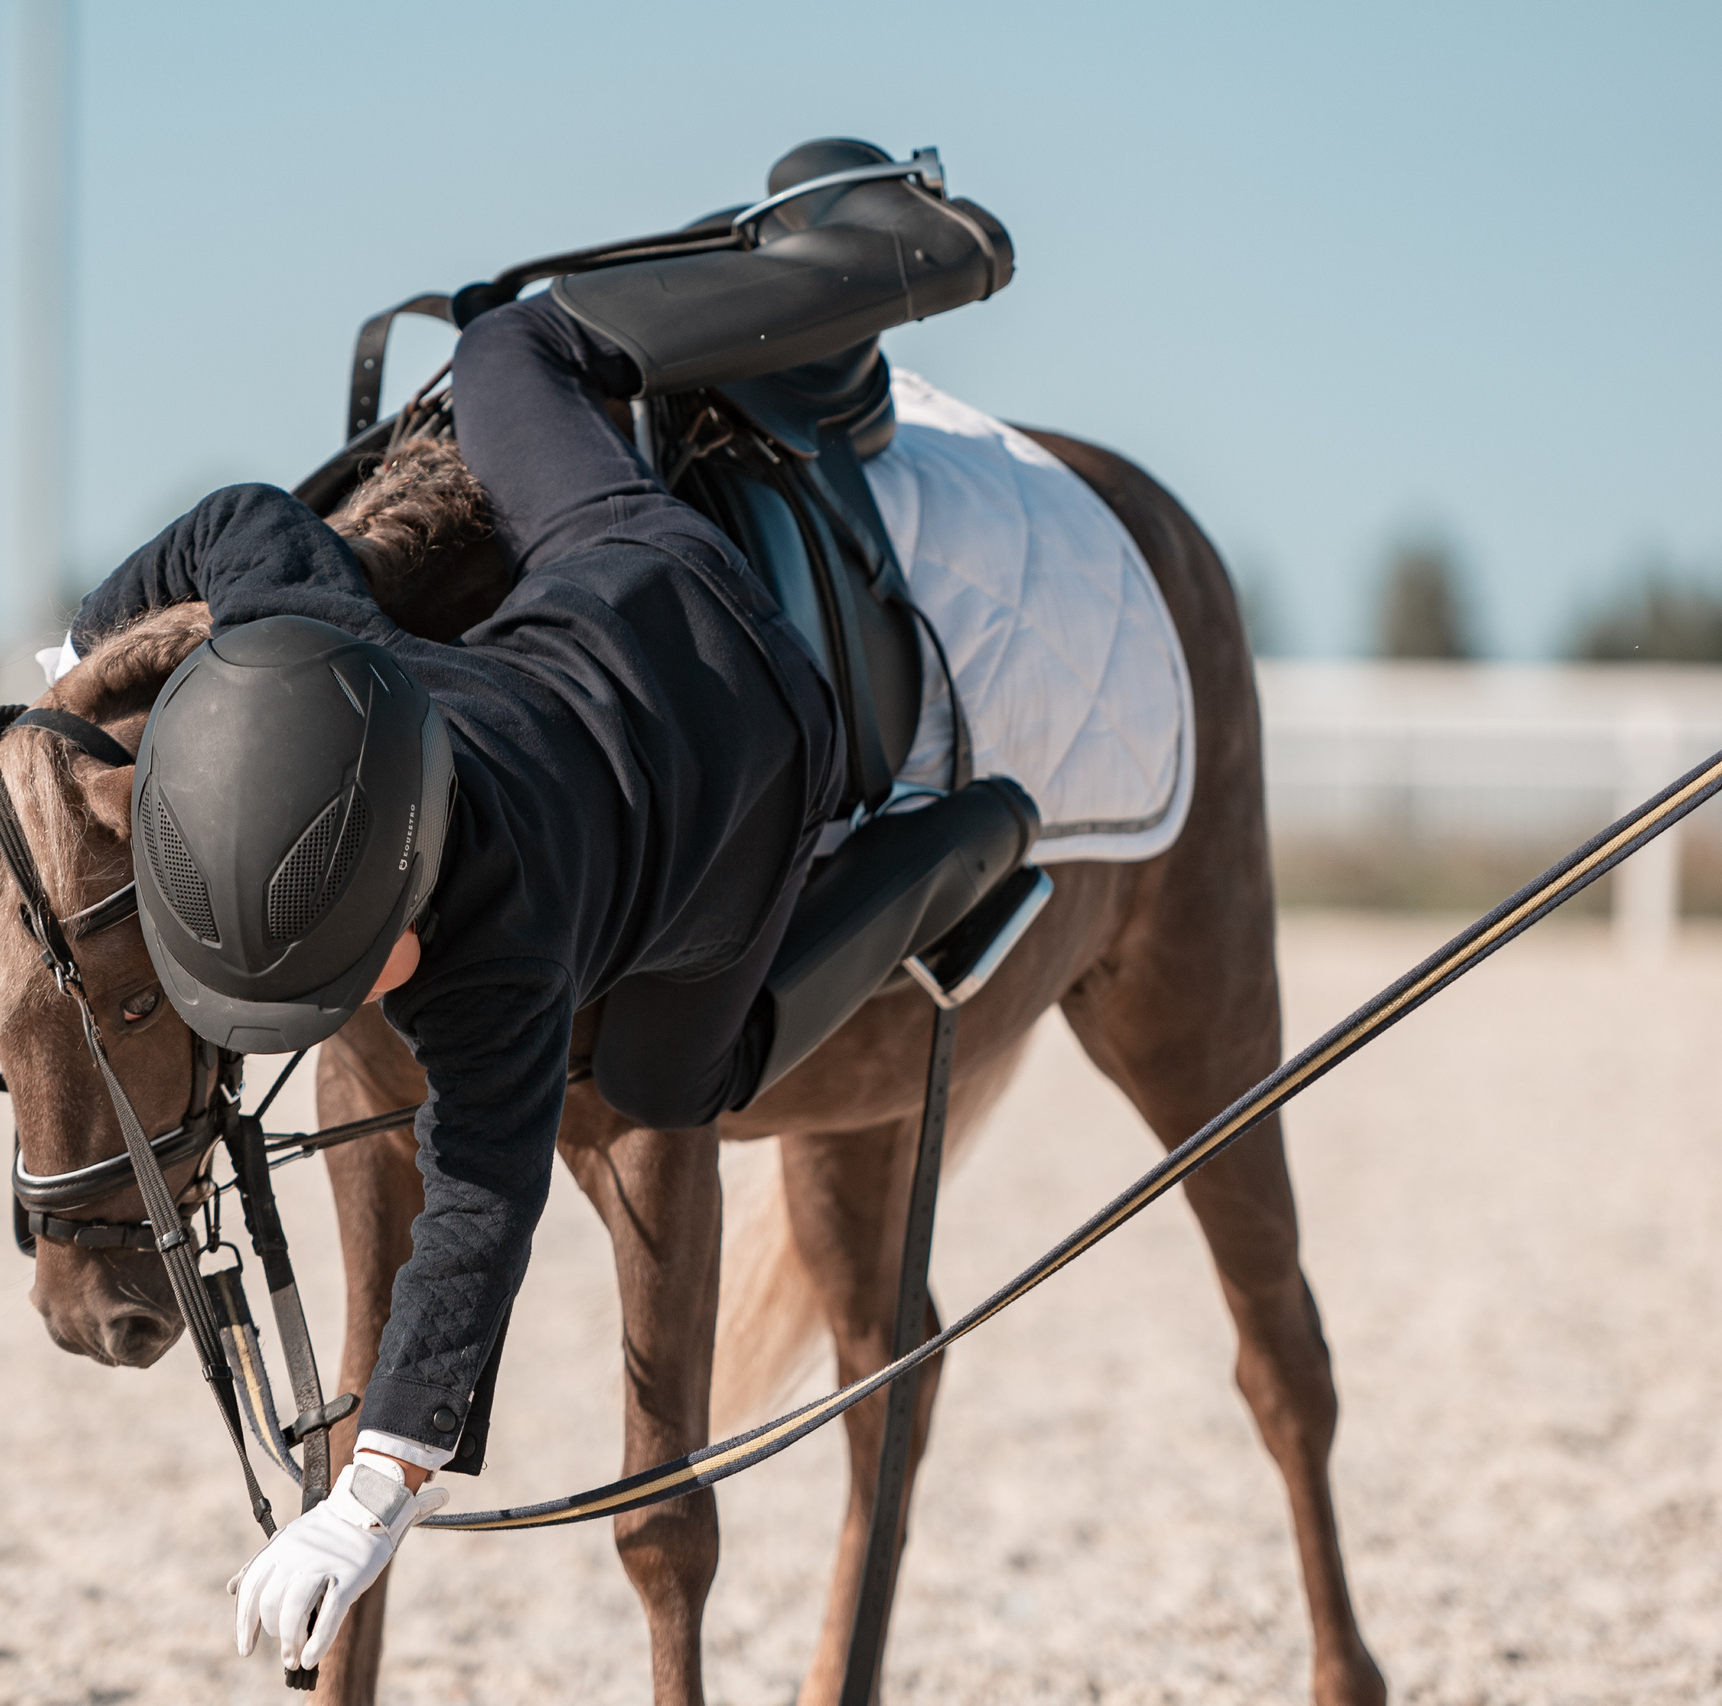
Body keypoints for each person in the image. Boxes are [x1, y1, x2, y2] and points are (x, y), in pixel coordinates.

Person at [61, 140, 1012, 1672]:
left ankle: (971, 838)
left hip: (766, 755)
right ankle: (864, 255)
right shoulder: (315, 648)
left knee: (669, 1074)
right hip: (618, 562)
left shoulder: (498, 966)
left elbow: (479, 1221)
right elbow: (239, 520)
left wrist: (372, 1492)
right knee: (512, 340)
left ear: (411, 944)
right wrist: (81, 653)